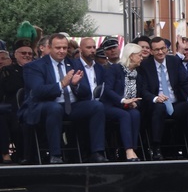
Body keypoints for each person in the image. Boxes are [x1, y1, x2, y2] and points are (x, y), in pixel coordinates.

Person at [20, 33, 107, 164]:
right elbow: (37, 91)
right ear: (49, 48)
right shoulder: (35, 66)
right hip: (45, 106)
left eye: (65, 48)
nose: (62, 51)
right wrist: (61, 84)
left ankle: (97, 152)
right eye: (58, 48)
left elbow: (86, 93)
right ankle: (55, 155)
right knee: (55, 108)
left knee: (97, 106)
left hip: (70, 106)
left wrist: (76, 85)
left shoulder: (73, 64)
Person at [138, 36, 188, 160]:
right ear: (151, 51)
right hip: (157, 103)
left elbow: (184, 82)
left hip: (175, 103)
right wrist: (155, 98)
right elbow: (143, 90)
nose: (160, 52)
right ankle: (156, 148)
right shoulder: (145, 65)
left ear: (167, 49)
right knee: (159, 108)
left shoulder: (174, 61)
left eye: (163, 48)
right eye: (156, 50)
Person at [102, 43, 143, 162]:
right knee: (124, 115)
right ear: (131, 56)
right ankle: (128, 150)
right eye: (139, 55)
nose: (142, 58)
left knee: (135, 114)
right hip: (109, 105)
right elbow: (108, 90)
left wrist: (135, 103)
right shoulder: (115, 69)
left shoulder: (137, 74)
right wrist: (123, 100)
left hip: (126, 105)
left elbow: (139, 94)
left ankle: (133, 149)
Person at [0, 39, 34, 163]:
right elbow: (11, 88)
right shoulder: (8, 70)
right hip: (14, 107)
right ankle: (17, 154)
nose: (27, 56)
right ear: (15, 54)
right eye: (23, 53)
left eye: (29, 54)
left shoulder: (37, 68)